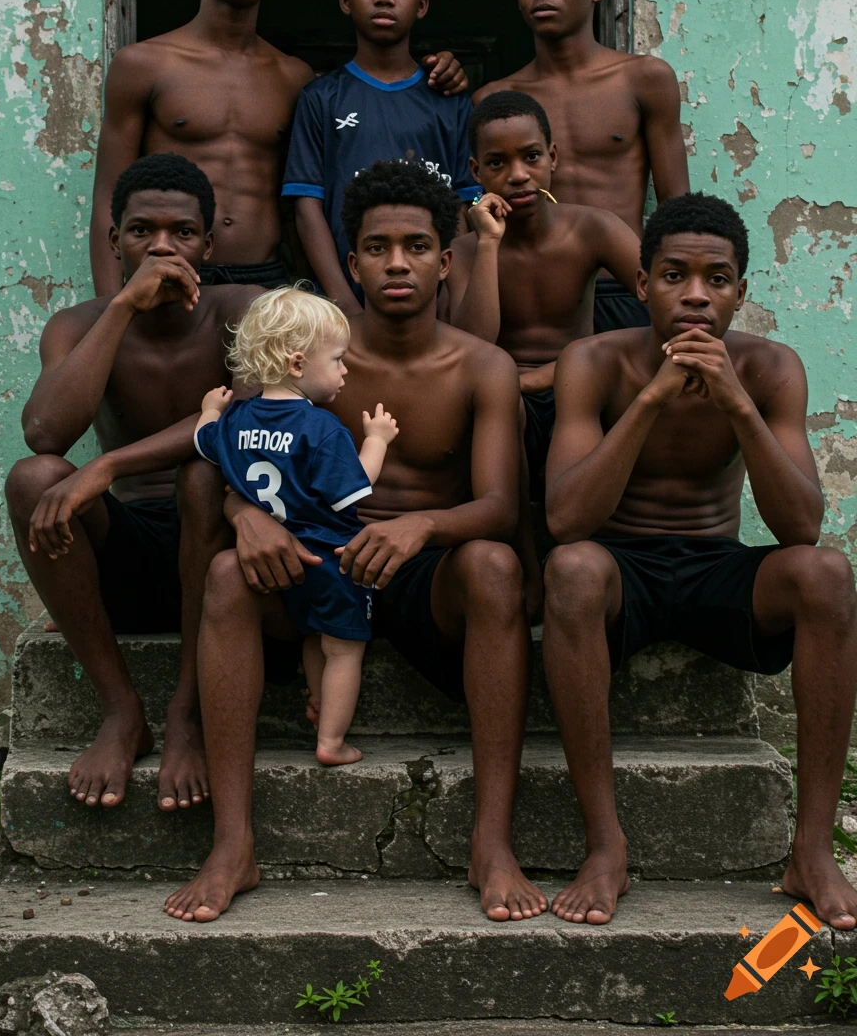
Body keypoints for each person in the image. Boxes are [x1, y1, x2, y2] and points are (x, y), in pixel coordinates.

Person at [161, 161, 547, 925]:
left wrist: (421, 525)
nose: (397, 263)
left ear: (447, 260)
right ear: (351, 261)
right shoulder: (304, 354)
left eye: (416, 246)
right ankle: (233, 844)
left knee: (494, 566)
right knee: (229, 573)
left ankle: (492, 843)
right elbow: (235, 446)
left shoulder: (483, 366)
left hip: (423, 572)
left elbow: (502, 506)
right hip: (317, 563)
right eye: (377, 247)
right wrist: (244, 511)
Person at [541, 192, 857, 930]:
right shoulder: (593, 361)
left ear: (740, 293)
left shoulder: (771, 367)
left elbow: (800, 526)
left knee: (828, 574)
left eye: (716, 280)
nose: (695, 295)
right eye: (674, 275)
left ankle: (811, 851)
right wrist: (650, 400)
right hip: (622, 570)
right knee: (573, 569)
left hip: (717, 566)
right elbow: (566, 520)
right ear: (642, 283)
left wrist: (737, 403)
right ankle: (606, 847)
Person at [5, 154, 260, 815]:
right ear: (115, 240)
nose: (162, 248)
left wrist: (109, 464)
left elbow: (246, 420)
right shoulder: (78, 324)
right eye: (143, 231)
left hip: (228, 557)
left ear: (209, 245)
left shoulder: (244, 310)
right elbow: (44, 432)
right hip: (132, 559)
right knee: (34, 479)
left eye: (183, 232)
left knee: (203, 473)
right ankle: (122, 711)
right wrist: (121, 306)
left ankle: (187, 715)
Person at [90, 0, 467, 296]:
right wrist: (114, 309)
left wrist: (318, 301)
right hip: (168, 272)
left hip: (265, 281)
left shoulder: (294, 78)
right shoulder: (143, 64)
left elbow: (301, 203)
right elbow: (109, 199)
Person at [193, 288, 399, 766]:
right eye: (338, 360)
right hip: (331, 557)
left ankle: (320, 702)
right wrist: (377, 440)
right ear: (298, 364)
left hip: (281, 560)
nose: (344, 371)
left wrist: (210, 408)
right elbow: (357, 485)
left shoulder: (237, 419)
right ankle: (332, 741)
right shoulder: (322, 429)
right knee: (344, 648)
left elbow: (203, 441)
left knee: (312, 635)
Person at [474, 0, 689, 332]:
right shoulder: (495, 101)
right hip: (532, 294)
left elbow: (675, 207)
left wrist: (678, 292)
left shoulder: (644, 79)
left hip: (624, 286)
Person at [283, 0, 482, 315]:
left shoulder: (450, 100)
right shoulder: (321, 98)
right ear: (346, 0)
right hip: (344, 302)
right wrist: (343, 303)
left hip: (431, 304)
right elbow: (306, 207)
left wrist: (449, 294)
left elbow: (464, 205)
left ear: (421, 5)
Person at [448, 91, 640, 476]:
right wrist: (488, 244)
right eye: (497, 163)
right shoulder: (465, 251)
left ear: (552, 157)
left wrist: (538, 378)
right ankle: (512, 515)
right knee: (499, 408)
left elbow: (667, 299)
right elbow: (472, 347)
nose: (518, 175)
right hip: (503, 395)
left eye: (531, 157)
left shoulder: (593, 228)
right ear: (476, 172)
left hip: (579, 383)